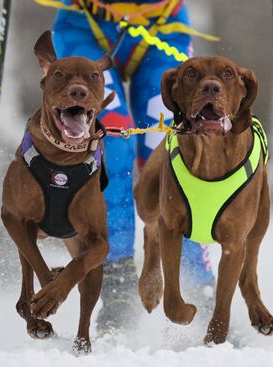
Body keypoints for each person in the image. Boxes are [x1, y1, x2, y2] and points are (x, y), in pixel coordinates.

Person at [46, 0, 217, 332]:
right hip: (86, 22)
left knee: (168, 145)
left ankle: (199, 286)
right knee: (112, 138)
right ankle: (116, 280)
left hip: (162, 22)